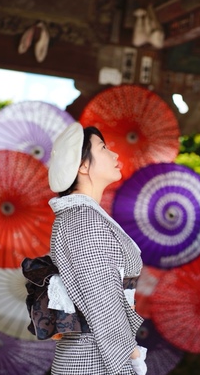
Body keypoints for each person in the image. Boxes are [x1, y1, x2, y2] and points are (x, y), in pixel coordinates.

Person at [38, 122, 147, 375]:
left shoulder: (84, 215)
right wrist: (131, 356)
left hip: (94, 352)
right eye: (104, 147)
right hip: (92, 357)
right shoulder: (83, 220)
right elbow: (103, 301)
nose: (115, 154)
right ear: (83, 166)